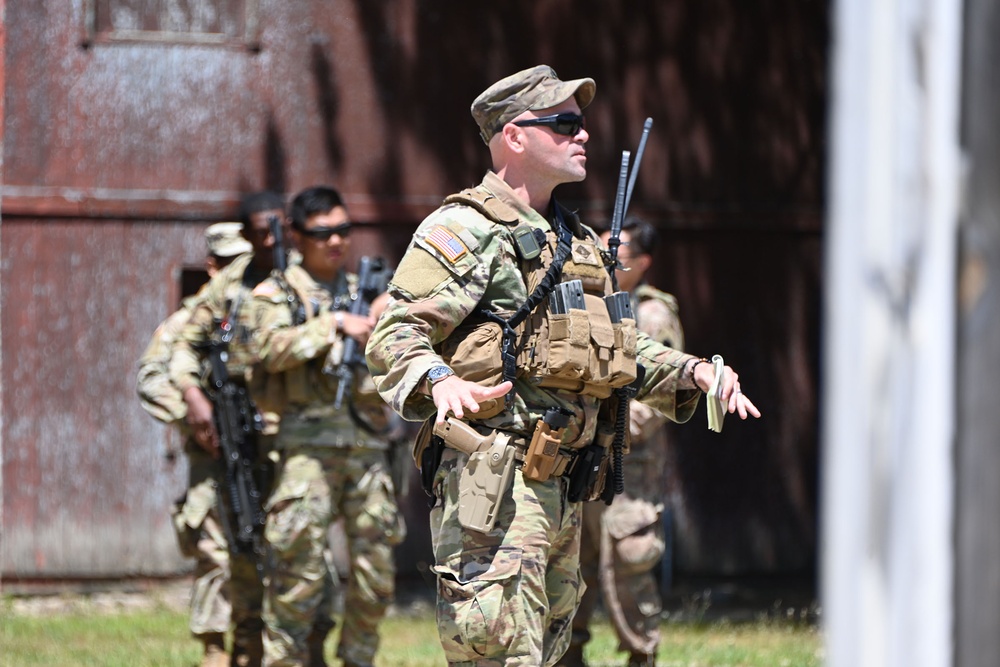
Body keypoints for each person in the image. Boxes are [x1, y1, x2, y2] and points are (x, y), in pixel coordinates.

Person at [365, 64, 760, 667]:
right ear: (514, 136)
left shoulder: (573, 242)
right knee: (501, 656)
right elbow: (395, 332)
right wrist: (438, 380)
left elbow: (616, 349)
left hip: (564, 485)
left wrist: (695, 373)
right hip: (496, 483)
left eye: (582, 124)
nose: (583, 136)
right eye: (564, 123)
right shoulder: (465, 229)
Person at [250, 185, 405, 667]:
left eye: (343, 230)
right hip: (306, 452)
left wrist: (386, 317)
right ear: (296, 236)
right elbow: (264, 350)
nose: (336, 241)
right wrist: (333, 325)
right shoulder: (275, 293)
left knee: (374, 578)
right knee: (297, 578)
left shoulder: (368, 290)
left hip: (365, 447)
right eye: (323, 233)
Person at [170, 190, 287, 667]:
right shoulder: (222, 293)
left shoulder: (304, 282)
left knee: (285, 547)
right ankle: (224, 650)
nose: (269, 241)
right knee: (228, 544)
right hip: (230, 436)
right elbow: (175, 354)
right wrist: (194, 403)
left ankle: (283, 646)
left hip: (287, 439)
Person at [564, 216, 685, 667]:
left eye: (619, 253)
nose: (607, 260)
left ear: (645, 261)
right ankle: (568, 654)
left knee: (627, 569)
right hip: (584, 463)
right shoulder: (591, 304)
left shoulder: (652, 314)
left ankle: (641, 656)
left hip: (627, 472)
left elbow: (658, 398)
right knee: (574, 565)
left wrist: (607, 426)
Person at [137, 222, 253, 667]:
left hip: (262, 454)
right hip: (210, 460)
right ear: (212, 266)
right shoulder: (186, 322)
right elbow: (151, 380)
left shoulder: (256, 310)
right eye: (228, 265)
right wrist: (193, 415)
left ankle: (252, 642)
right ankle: (213, 647)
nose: (236, 274)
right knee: (214, 551)